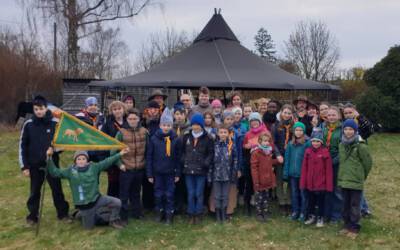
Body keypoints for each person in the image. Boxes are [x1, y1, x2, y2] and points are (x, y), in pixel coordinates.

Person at [46, 147, 130, 230]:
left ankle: (113, 220)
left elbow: (107, 161)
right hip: (85, 206)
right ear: (75, 161)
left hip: (98, 199)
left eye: (83, 158)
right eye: (79, 159)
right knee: (89, 228)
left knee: (117, 202)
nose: (81, 161)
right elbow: (55, 172)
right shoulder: (70, 171)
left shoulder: (94, 167)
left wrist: (120, 153)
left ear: (87, 160)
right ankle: (80, 214)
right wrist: (49, 158)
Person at [19, 95, 70, 226]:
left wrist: (54, 150)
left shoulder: (55, 123)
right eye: (36, 109)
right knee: (35, 191)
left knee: (57, 189)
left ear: (46, 108)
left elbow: (62, 143)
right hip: (34, 165)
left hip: (51, 164)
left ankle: (63, 214)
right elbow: (23, 146)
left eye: (41, 108)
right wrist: (24, 166)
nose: (39, 111)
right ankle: (32, 216)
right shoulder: (28, 125)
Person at [338, 119, 373, 239]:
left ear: (355, 130)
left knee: (355, 205)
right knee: (345, 205)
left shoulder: (361, 146)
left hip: (356, 181)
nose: (348, 132)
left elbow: (367, 163)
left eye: (351, 129)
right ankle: (347, 225)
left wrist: (362, 176)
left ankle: (354, 227)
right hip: (344, 179)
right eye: (346, 129)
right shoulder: (341, 144)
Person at [114, 108, 148, 224]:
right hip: (126, 168)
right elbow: (114, 151)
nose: (133, 120)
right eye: (130, 119)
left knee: (136, 192)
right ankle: (123, 216)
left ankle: (137, 213)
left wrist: (146, 163)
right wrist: (119, 164)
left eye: (135, 118)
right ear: (127, 120)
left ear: (139, 119)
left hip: (139, 168)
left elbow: (148, 149)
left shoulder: (144, 131)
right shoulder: (121, 132)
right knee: (124, 193)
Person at [146, 108, 181, 224]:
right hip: (158, 172)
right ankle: (159, 212)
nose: (166, 127)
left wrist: (177, 173)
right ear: (160, 125)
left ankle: (169, 214)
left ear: (171, 126)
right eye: (164, 125)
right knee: (158, 193)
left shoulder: (175, 140)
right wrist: (150, 173)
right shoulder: (154, 139)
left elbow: (178, 157)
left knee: (170, 194)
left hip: (170, 172)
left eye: (168, 125)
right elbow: (149, 157)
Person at [181, 113, 214, 224]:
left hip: (201, 170)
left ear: (202, 125)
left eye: (198, 125)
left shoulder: (208, 138)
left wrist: (206, 163)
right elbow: (182, 152)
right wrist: (184, 160)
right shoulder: (186, 136)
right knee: (190, 193)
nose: (195, 127)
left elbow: (210, 153)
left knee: (199, 193)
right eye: (194, 124)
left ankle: (198, 213)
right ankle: (191, 213)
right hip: (188, 169)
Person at [300, 128, 333, 228]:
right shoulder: (308, 151)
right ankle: (311, 216)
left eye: (318, 141)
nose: (315, 143)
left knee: (320, 202)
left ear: (321, 142)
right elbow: (304, 168)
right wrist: (303, 183)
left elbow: (328, 170)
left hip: (321, 184)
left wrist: (328, 186)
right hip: (310, 184)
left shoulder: (325, 152)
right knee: (311, 201)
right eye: (313, 141)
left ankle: (320, 217)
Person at [208, 125, 239, 223]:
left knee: (225, 195)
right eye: (221, 132)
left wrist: (234, 173)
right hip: (216, 175)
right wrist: (209, 175)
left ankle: (223, 214)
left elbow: (235, 160)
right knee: (217, 196)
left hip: (227, 175)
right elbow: (211, 162)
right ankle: (217, 215)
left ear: (228, 134)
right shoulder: (214, 145)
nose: (223, 134)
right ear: (218, 133)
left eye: (225, 132)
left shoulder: (231, 145)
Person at [101, 101, 129, 198]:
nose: (117, 111)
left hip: (127, 156)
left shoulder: (128, 122)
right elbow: (103, 140)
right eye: (115, 109)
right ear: (112, 111)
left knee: (125, 182)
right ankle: (112, 205)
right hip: (113, 157)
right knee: (113, 183)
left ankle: (124, 203)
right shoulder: (107, 124)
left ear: (123, 109)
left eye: (119, 108)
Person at [283, 122, 310, 222]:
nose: (298, 132)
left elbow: (308, 160)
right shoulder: (290, 144)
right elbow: (287, 158)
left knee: (303, 194)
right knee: (294, 193)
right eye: (296, 130)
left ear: (304, 131)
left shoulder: (307, 143)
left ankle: (304, 212)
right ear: (294, 131)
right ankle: (295, 211)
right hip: (292, 174)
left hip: (303, 174)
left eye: (300, 130)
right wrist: (286, 172)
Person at [250, 132, 279, 222]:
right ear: (260, 141)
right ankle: (259, 213)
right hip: (259, 180)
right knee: (259, 198)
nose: (266, 143)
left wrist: (277, 161)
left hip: (268, 179)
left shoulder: (269, 151)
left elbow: (269, 162)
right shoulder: (256, 153)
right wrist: (256, 181)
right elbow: (254, 168)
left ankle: (265, 212)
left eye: (268, 141)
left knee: (266, 197)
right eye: (265, 141)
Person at [322, 106, 343, 223]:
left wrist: (333, 161)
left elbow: (342, 149)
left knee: (336, 189)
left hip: (336, 162)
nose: (331, 117)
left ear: (339, 116)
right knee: (326, 188)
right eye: (329, 115)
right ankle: (327, 213)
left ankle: (336, 215)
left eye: (333, 115)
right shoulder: (324, 128)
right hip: (324, 161)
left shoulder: (342, 129)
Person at [273, 104, 295, 213]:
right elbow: (273, 142)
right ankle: (281, 201)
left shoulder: (294, 126)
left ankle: (289, 201)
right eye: (285, 112)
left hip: (291, 156)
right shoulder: (276, 126)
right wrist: (277, 154)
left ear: (292, 115)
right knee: (280, 179)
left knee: (291, 179)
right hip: (280, 156)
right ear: (281, 113)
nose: (286, 115)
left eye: (289, 113)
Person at [141, 100, 161, 211]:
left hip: (157, 154)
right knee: (146, 180)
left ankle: (155, 203)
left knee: (156, 180)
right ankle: (146, 204)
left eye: (155, 109)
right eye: (151, 109)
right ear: (147, 110)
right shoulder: (143, 121)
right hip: (144, 153)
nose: (153, 111)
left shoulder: (160, 122)